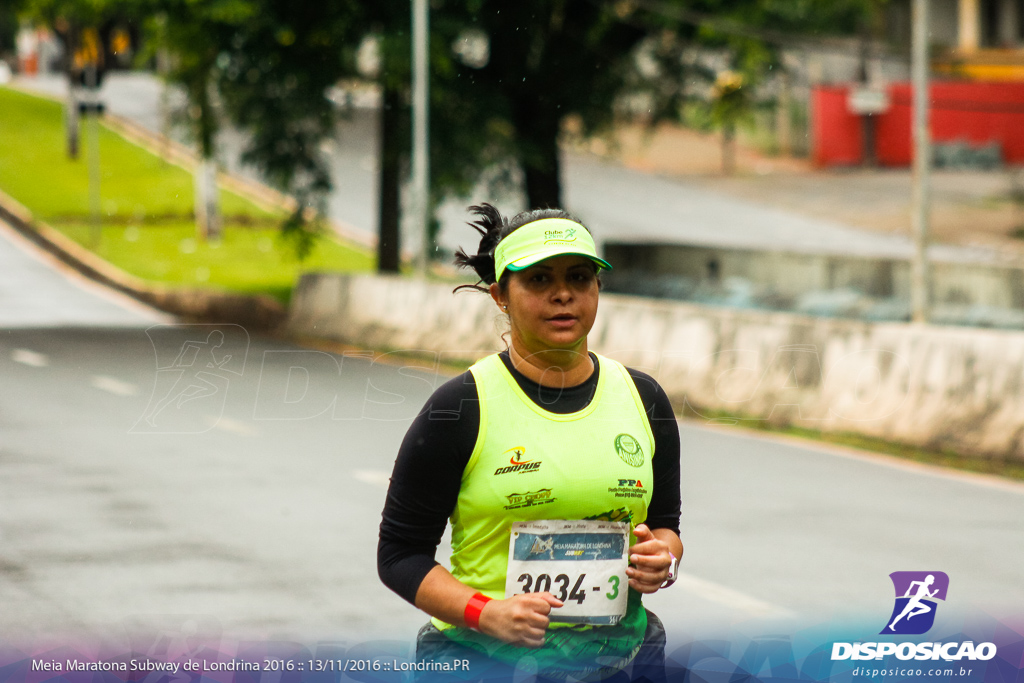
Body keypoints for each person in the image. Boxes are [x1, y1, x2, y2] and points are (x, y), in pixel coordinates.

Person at [378, 204, 683, 681]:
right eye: (539, 280)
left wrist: (662, 561)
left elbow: (665, 528)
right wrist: (486, 612)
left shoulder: (643, 398)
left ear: (597, 287)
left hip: (623, 662)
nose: (563, 295)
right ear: (501, 295)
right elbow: (400, 555)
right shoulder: (460, 407)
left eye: (580, 277)